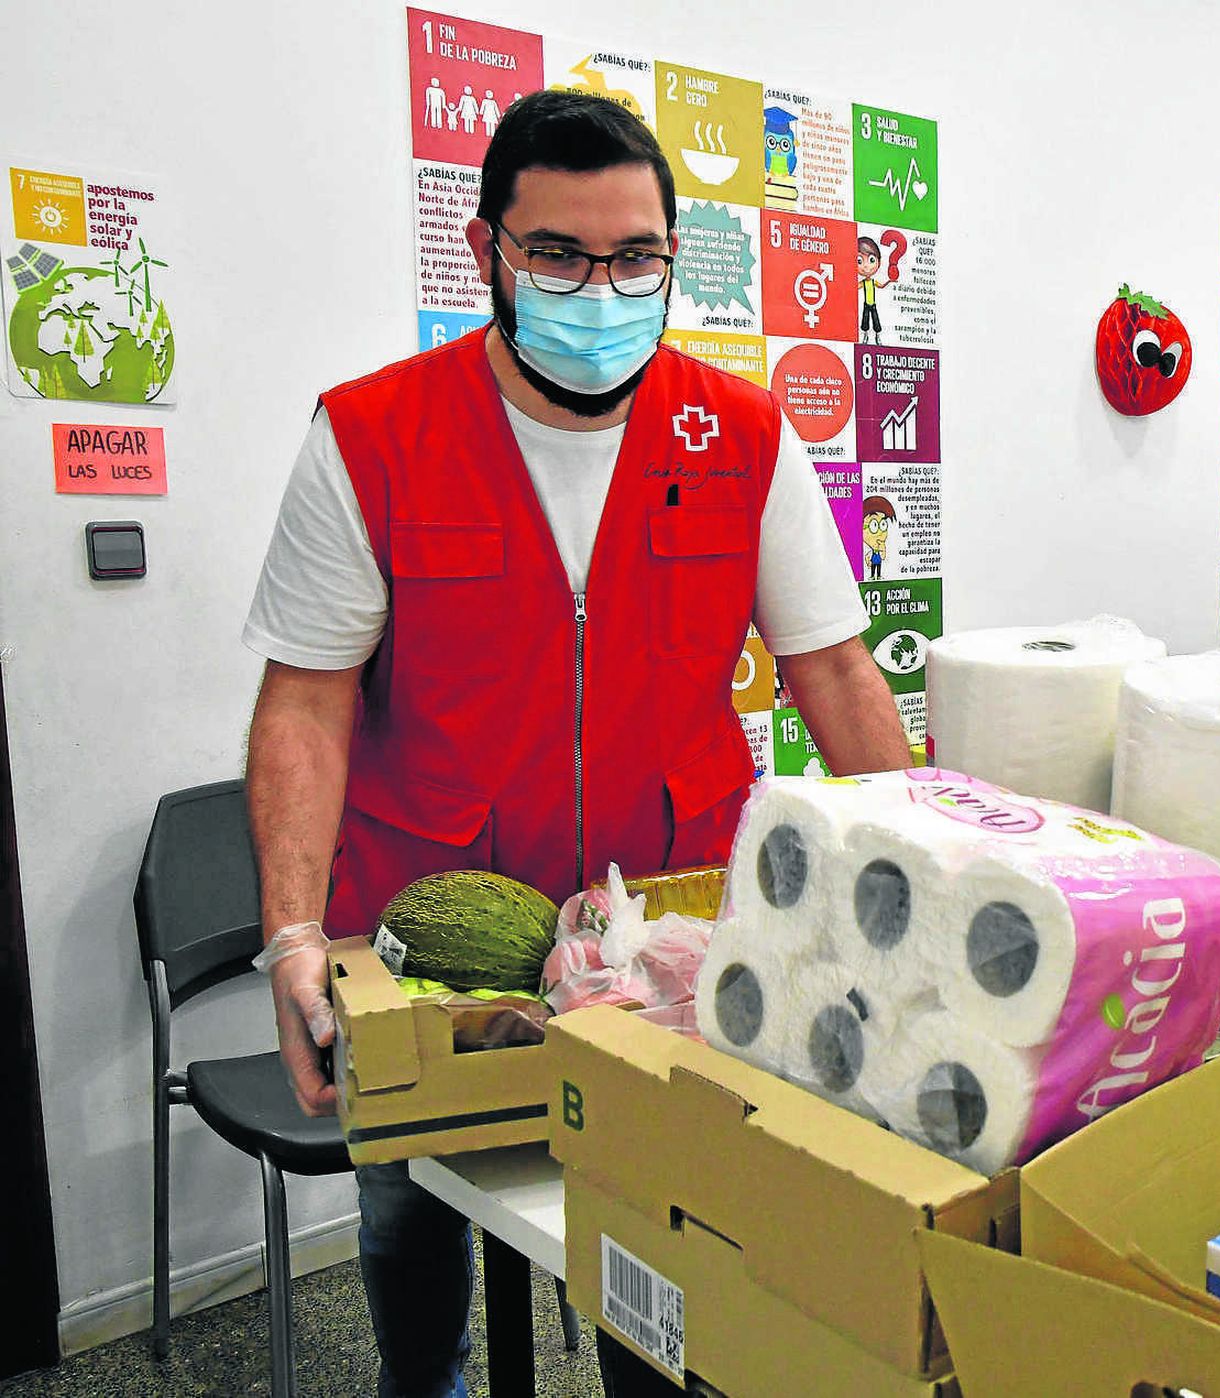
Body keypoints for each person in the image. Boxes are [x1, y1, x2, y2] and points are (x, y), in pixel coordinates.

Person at [242, 89, 911, 1398]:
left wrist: (933, 874)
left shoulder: (742, 434)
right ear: (490, 248)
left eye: (635, 257)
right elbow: (306, 701)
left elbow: (833, 668)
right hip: (429, 941)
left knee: (661, 1256)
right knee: (413, 1219)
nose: (598, 289)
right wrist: (290, 930)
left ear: (671, 256)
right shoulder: (372, 436)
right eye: (558, 254)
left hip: (666, 943)